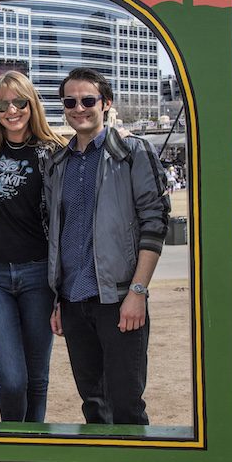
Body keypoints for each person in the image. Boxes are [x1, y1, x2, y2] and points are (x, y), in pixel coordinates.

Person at [44, 67, 170, 425]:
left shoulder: (132, 152)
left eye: (88, 100)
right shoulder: (57, 163)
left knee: (127, 403)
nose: (79, 108)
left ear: (106, 103)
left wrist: (138, 291)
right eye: (70, 101)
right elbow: (58, 232)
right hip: (73, 299)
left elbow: (154, 224)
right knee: (94, 405)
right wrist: (57, 299)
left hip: (118, 298)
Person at [0, 70, 65, 423]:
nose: (12, 110)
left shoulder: (52, 152)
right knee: (11, 379)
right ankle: (11, 444)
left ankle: (32, 451)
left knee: (37, 379)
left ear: (31, 104)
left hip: (38, 274)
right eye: (3, 104)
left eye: (19, 102)